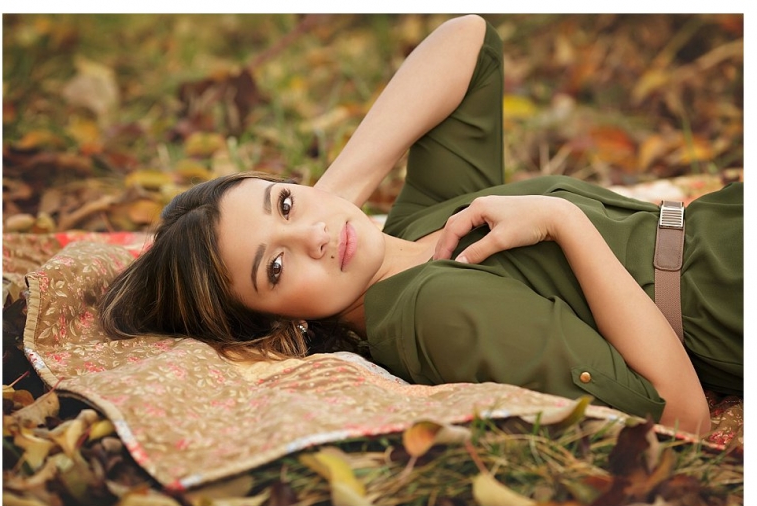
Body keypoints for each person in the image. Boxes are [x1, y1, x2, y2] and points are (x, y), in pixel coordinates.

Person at [98, 15, 743, 437]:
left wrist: (334, 194)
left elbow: (470, 39)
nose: (312, 237)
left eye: (285, 204)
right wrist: (561, 221)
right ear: (276, 326)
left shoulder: (417, 231)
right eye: (275, 267)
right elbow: (678, 414)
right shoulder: (431, 310)